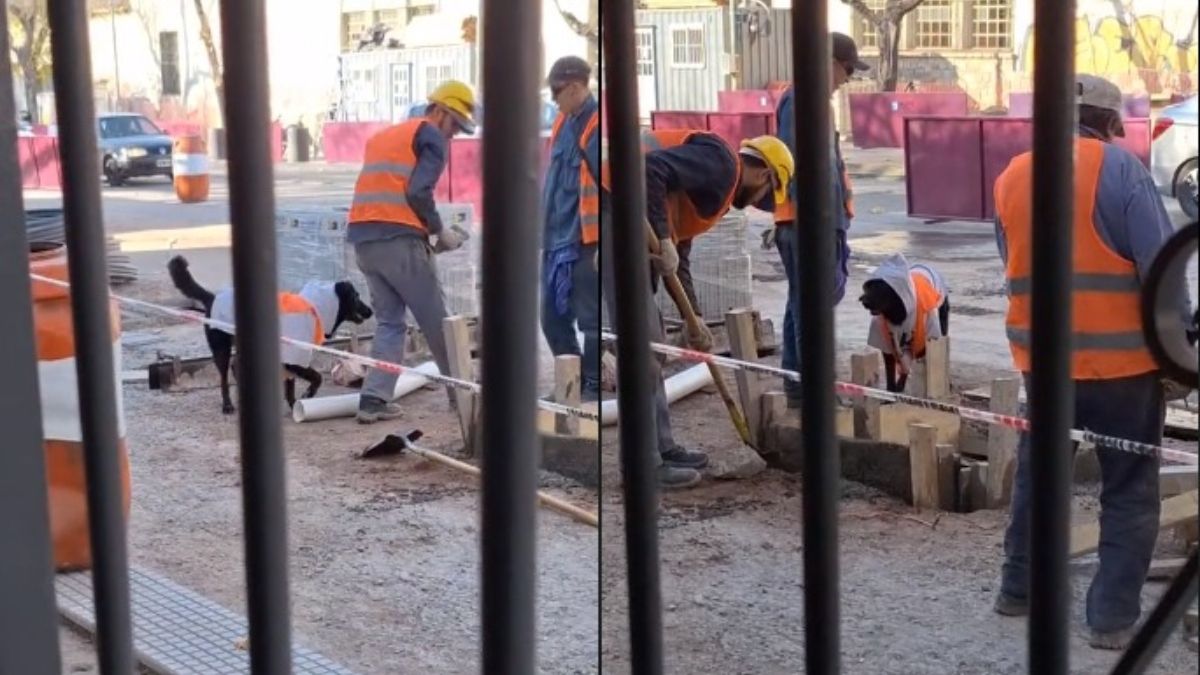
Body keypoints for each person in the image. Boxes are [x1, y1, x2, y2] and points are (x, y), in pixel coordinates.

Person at [991, 73, 1192, 649]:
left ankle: (1018, 589)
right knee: (1128, 487)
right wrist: (1178, 353)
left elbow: (1012, 264)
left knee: (1040, 477)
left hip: (1045, 366)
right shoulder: (1120, 169)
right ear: (1110, 123)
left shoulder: (1013, 175)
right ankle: (1109, 620)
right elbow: (1163, 272)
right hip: (1121, 369)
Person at [600, 132, 794, 488]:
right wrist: (660, 236)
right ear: (765, 175)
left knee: (652, 351)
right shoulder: (722, 164)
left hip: (634, 226)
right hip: (617, 215)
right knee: (642, 353)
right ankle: (643, 466)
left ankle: (662, 447)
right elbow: (649, 170)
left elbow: (680, 257)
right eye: (765, 196)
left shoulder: (711, 191)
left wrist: (696, 320)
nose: (758, 202)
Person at [346, 80, 475, 423]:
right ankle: (464, 399)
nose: (453, 136)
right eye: (455, 126)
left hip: (364, 240)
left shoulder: (388, 135)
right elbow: (418, 192)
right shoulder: (431, 135)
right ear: (440, 111)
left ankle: (373, 399)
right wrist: (440, 231)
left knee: (390, 322)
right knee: (438, 320)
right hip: (398, 239)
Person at [772, 31, 867, 407]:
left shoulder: (813, 102)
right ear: (828, 63)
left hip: (814, 222)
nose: (847, 79)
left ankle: (800, 386)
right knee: (810, 306)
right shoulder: (802, 101)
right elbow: (800, 165)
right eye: (846, 69)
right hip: (806, 223)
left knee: (802, 302)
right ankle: (813, 392)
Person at [541, 56, 602, 401]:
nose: (553, 99)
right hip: (556, 236)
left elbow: (609, 187)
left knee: (590, 319)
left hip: (585, 239)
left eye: (557, 91)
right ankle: (573, 380)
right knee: (550, 315)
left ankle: (590, 387)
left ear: (576, 88)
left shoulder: (597, 125)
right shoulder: (563, 122)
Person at [859, 254, 949, 393]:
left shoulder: (928, 309)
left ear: (895, 299)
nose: (872, 311)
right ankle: (894, 388)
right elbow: (888, 350)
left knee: (935, 347)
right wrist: (891, 389)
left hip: (932, 286)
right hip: (903, 296)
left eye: (875, 305)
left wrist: (904, 375)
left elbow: (933, 344)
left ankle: (939, 383)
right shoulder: (880, 318)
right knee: (898, 342)